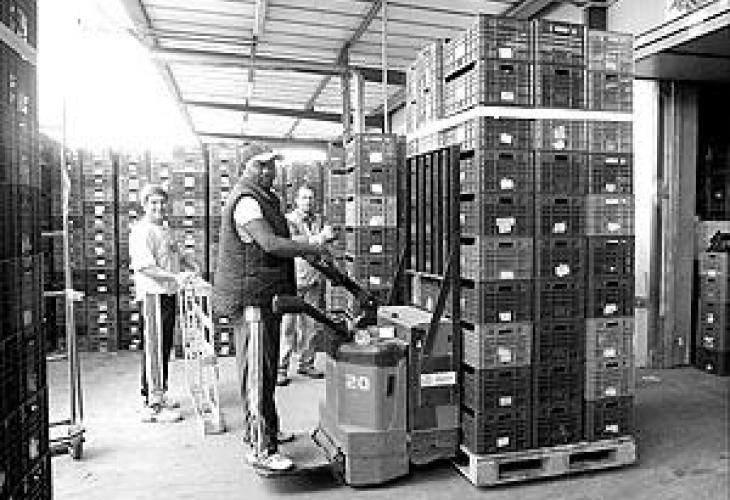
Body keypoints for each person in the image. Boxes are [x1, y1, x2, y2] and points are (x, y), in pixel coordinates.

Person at [213, 143, 331, 472]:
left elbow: (280, 242)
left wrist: (311, 246)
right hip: (251, 297)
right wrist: (313, 247)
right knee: (256, 373)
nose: (268, 171)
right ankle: (260, 447)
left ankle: (268, 429)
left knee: (265, 369)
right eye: (259, 165)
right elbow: (270, 243)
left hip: (265, 295)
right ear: (244, 168)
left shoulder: (267, 198)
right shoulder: (247, 201)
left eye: (271, 165)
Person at [129, 184, 198, 423]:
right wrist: (175, 278)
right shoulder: (142, 231)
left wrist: (189, 263)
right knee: (155, 348)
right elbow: (145, 267)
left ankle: (159, 392)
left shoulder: (164, 229)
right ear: (144, 205)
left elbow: (174, 253)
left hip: (167, 294)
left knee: (164, 345)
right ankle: (152, 404)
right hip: (153, 295)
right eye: (153, 203)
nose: (158, 207)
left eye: (161, 202)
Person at [277, 185, 335, 386]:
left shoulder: (318, 220)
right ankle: (281, 368)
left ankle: (306, 363)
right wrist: (320, 238)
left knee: (310, 326)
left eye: (310, 198)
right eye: (304, 198)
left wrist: (329, 262)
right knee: (288, 326)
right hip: (293, 279)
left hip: (313, 280)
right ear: (296, 200)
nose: (308, 201)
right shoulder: (289, 220)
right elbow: (295, 242)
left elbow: (326, 243)